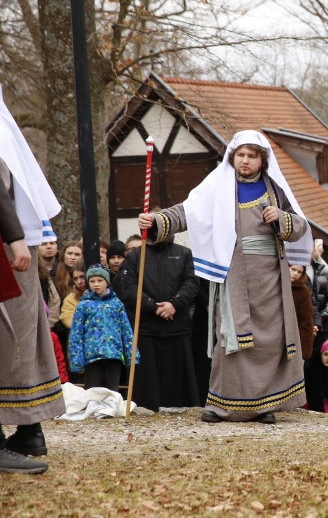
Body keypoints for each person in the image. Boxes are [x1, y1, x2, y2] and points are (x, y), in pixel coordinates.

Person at [138, 130, 312, 424]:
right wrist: (157, 220)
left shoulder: (275, 190)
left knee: (266, 341)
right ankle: (221, 405)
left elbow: (299, 226)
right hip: (231, 274)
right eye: (241, 154)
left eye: (252, 156)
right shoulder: (217, 187)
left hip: (270, 279)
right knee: (230, 337)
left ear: (262, 161)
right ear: (233, 156)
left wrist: (281, 219)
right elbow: (186, 212)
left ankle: (263, 405)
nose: (245, 160)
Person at [0, 103, 65, 473]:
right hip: (18, 241)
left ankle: (24, 431)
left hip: (10, 246)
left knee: (11, 339)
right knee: (24, 335)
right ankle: (30, 429)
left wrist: (14, 237)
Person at [119, 235, 201, 412]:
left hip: (177, 326)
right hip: (147, 327)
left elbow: (192, 283)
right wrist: (153, 307)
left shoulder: (184, 254)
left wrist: (174, 304)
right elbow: (130, 288)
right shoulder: (136, 256)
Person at [68, 264, 137, 392]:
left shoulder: (116, 303)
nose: (96, 284)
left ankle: (111, 412)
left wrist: (132, 355)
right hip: (92, 357)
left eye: (100, 280)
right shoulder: (84, 305)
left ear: (107, 282)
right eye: (92, 281)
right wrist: (77, 360)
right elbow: (76, 334)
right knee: (93, 393)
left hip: (113, 356)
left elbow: (126, 330)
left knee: (112, 392)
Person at [304, 337, 328, 413]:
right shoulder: (311, 367)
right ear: (321, 353)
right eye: (326, 354)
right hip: (308, 402)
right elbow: (313, 393)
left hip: (324, 400)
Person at [57, 261, 86, 362]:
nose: (79, 282)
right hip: (80, 350)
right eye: (76, 279)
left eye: (82, 277)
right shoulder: (70, 299)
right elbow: (71, 321)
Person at [291, 264, 317, 361]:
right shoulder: (275, 286)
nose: (295, 274)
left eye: (299, 272)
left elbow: (307, 320)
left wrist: (304, 350)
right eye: (293, 269)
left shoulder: (303, 292)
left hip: (294, 338)